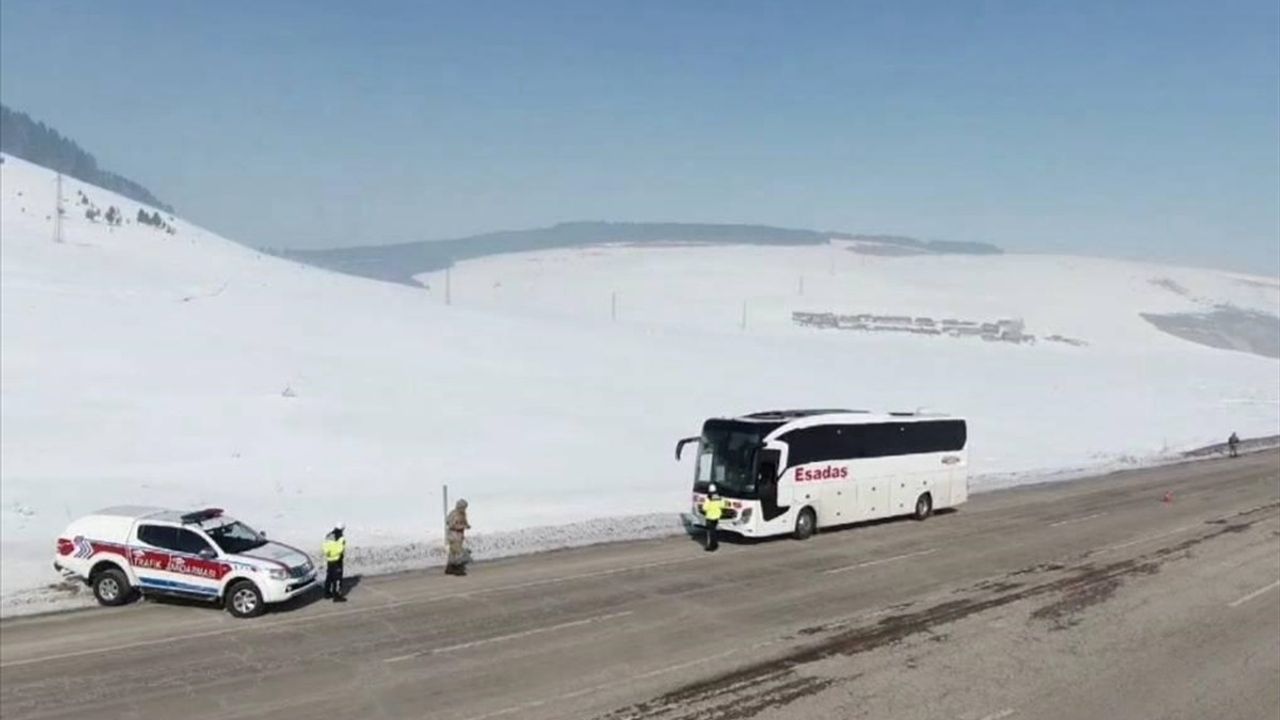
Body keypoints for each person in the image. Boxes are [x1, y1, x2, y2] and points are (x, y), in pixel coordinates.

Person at [322, 522, 347, 602]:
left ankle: (327, 593)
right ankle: (337, 596)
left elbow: (324, 547)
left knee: (329, 577)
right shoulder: (341, 537)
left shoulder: (329, 535)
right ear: (342, 529)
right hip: (337, 560)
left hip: (329, 560)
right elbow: (340, 549)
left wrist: (329, 554)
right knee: (337, 578)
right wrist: (338, 555)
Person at [445, 499, 471, 576]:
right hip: (453, 535)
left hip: (459, 535)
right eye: (463, 507)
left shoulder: (462, 514)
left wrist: (466, 525)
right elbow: (451, 524)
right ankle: (457, 568)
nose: (464, 509)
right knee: (458, 552)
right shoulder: (454, 514)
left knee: (453, 552)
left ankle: (450, 567)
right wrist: (461, 526)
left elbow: (464, 522)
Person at [701, 484, 728, 552]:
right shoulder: (719, 497)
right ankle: (715, 544)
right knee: (714, 531)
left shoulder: (708, 498)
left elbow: (704, 508)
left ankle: (712, 546)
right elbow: (723, 505)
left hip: (710, 517)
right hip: (717, 517)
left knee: (710, 533)